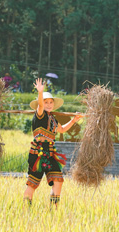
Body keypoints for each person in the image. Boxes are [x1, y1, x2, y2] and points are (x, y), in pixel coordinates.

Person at [24, 78, 83, 208]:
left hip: (50, 153)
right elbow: (40, 105)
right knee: (33, 183)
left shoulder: (52, 119)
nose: (49, 104)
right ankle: (25, 210)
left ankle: (53, 209)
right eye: (46, 102)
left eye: (51, 102)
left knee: (58, 180)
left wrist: (74, 120)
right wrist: (40, 92)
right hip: (38, 152)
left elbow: (61, 129)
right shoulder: (40, 114)